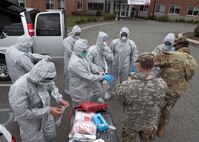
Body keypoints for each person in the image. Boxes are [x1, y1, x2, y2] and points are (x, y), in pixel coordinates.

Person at [9, 59, 70, 142]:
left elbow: (51, 87)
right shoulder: (19, 88)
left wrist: (59, 99)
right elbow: (22, 113)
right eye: (45, 80)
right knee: (35, 140)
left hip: (46, 117)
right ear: (38, 78)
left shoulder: (44, 77)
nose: (47, 82)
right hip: (31, 123)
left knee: (50, 136)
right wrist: (48, 110)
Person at [115, 52, 167, 142]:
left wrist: (128, 80)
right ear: (153, 65)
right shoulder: (161, 84)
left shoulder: (128, 85)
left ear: (139, 66)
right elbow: (161, 102)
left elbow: (120, 99)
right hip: (149, 122)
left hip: (131, 122)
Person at [155, 37, 198, 137]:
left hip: (164, 89)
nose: (174, 47)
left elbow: (153, 61)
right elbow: (189, 77)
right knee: (167, 109)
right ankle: (161, 129)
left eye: (175, 46)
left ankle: (150, 129)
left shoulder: (173, 55)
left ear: (179, 45)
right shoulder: (193, 61)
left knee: (155, 108)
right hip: (178, 92)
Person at [68, 39, 114, 107]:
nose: (86, 52)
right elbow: (87, 76)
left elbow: (90, 64)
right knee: (79, 108)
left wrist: (98, 71)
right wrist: (102, 77)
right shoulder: (75, 63)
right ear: (79, 50)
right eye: (84, 51)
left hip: (84, 86)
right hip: (78, 90)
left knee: (86, 104)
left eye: (86, 49)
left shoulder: (81, 55)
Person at [105, 27, 138, 100]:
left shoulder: (131, 44)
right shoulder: (115, 42)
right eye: (123, 34)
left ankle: (123, 94)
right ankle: (109, 92)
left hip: (125, 66)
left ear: (128, 35)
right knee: (112, 80)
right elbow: (110, 52)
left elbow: (134, 55)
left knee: (124, 81)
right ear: (120, 34)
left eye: (125, 34)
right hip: (114, 65)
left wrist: (133, 67)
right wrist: (108, 64)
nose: (124, 36)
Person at [87, 31, 113, 103]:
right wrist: (98, 71)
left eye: (106, 40)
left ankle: (96, 98)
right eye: (103, 40)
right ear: (99, 40)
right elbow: (88, 63)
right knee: (95, 89)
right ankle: (91, 102)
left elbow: (111, 59)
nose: (105, 42)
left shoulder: (106, 49)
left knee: (100, 87)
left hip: (103, 72)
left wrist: (106, 54)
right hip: (95, 73)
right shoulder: (92, 50)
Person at [63, 25, 81, 94]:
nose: (78, 35)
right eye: (77, 33)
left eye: (79, 33)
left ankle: (73, 87)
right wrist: (77, 55)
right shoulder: (67, 40)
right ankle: (67, 89)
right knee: (67, 74)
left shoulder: (78, 39)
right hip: (68, 59)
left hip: (75, 59)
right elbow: (69, 51)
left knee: (75, 74)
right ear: (73, 32)